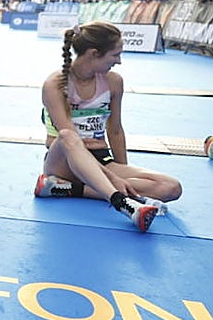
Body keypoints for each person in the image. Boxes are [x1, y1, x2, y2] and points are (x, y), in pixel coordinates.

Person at [34, 21, 182, 231]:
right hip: (63, 162)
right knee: (68, 136)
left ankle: (69, 189)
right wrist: (113, 180)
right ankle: (121, 201)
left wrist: (123, 173)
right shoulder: (55, 85)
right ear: (94, 54)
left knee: (171, 187)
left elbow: (115, 131)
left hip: (101, 159)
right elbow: (69, 138)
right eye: (115, 55)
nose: (119, 61)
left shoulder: (114, 82)